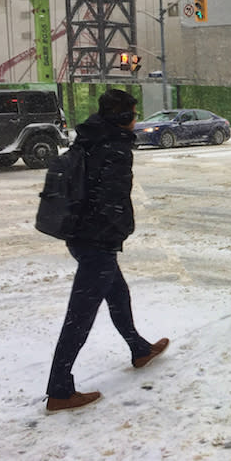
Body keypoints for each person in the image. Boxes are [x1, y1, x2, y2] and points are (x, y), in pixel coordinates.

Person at [46, 89, 169, 412]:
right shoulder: (114, 147)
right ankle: (59, 389)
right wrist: (120, 229)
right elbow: (113, 199)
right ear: (124, 118)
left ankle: (139, 349)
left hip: (79, 233)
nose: (136, 119)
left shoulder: (90, 136)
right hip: (96, 240)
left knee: (118, 293)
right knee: (80, 315)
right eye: (133, 113)